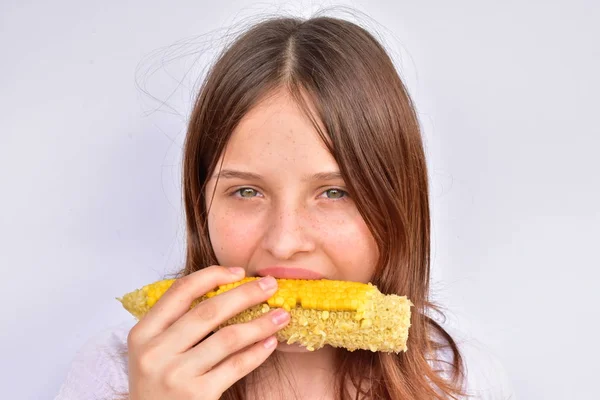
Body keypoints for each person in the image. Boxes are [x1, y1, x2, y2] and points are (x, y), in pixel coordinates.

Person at [55, 14, 514, 400]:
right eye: (246, 192)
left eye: (336, 192)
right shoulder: (119, 372)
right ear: (201, 205)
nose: (285, 242)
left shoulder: (458, 378)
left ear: (399, 203)